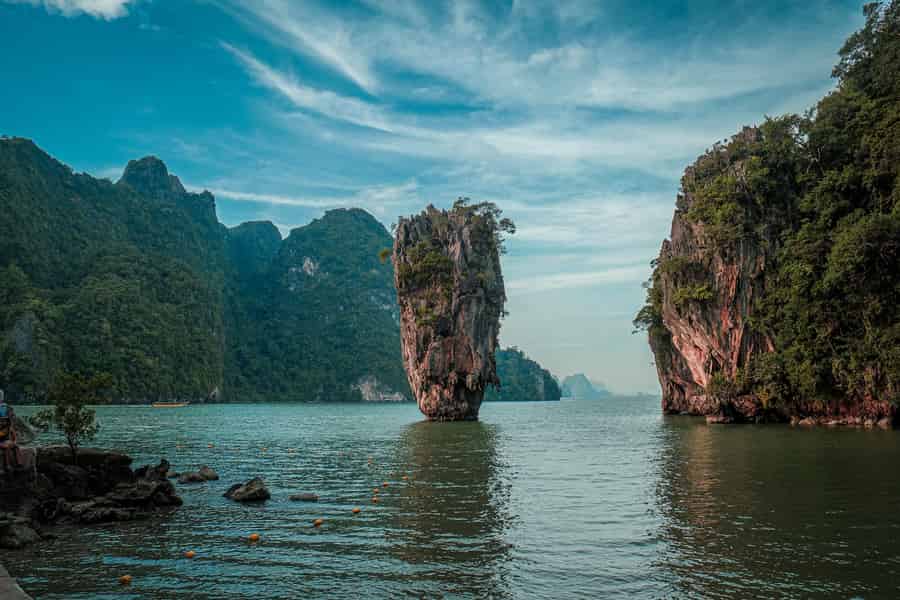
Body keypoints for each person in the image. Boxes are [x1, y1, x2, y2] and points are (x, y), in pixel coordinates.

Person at [0, 389, 20, 473]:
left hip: (6, 438)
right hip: (2, 440)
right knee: (7, 447)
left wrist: (14, 441)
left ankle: (19, 463)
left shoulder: (7, 408)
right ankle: (7, 465)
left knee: (15, 446)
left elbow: (12, 429)